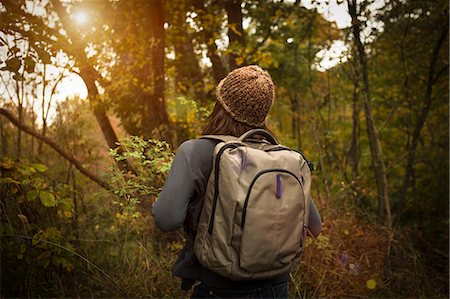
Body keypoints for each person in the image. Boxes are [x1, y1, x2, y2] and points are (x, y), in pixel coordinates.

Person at [152, 65, 322, 298]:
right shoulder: (282, 159)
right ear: (263, 113)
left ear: (221, 103)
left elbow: (166, 219)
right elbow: (315, 227)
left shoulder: (195, 151)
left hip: (219, 289)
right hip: (277, 289)